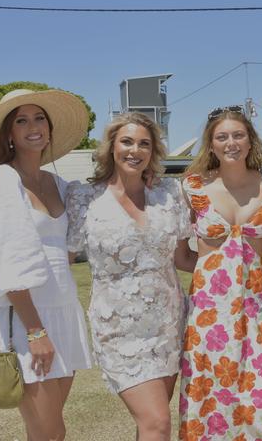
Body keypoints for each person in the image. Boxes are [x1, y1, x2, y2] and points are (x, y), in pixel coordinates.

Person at [0, 88, 92, 440]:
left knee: (46, 431)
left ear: (50, 128)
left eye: (39, 118)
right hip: (28, 318)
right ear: (9, 132)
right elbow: (9, 259)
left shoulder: (59, 183)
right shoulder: (4, 179)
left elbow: (69, 249)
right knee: (50, 432)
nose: (33, 126)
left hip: (64, 311)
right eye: (21, 120)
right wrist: (35, 331)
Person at [66, 112, 195, 441]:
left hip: (168, 327)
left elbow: (182, 258)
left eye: (144, 144)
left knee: (151, 425)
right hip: (118, 330)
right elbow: (63, 259)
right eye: (126, 141)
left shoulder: (169, 194)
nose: (134, 150)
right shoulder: (84, 198)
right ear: (111, 147)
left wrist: (236, 265)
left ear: (153, 152)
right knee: (158, 423)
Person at [178, 105, 262, 440]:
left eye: (238, 135)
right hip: (209, 310)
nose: (231, 142)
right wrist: (214, 272)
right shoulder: (191, 187)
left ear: (251, 141)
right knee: (209, 389)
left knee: (255, 394)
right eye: (222, 137)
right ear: (211, 144)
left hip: (254, 306)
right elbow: (178, 254)